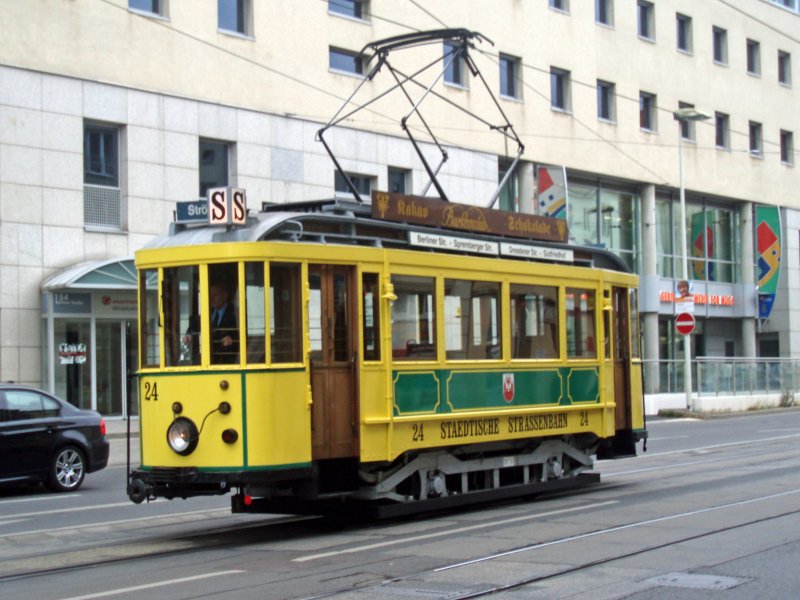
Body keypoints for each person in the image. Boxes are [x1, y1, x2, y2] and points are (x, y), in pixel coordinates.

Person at [208, 282, 238, 364]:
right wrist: (188, 335)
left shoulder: (235, 312)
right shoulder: (207, 311)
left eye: (215, 295)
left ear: (224, 296)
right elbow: (195, 327)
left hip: (228, 360)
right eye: (209, 295)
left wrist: (232, 340)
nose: (211, 298)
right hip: (208, 360)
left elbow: (242, 334)